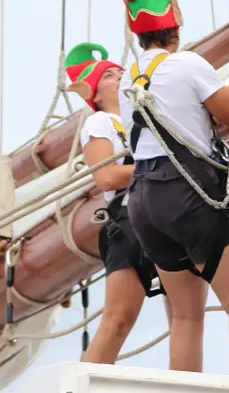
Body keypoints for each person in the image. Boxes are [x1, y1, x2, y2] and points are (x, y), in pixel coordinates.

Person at [117, 0, 229, 371]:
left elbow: (171, 117)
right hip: (187, 195)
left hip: (143, 201)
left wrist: (228, 87)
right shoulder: (188, 64)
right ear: (177, 17)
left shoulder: (128, 76)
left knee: (185, 316)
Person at [65, 42, 170, 365]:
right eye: (110, 75)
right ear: (94, 95)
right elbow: (107, 177)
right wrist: (160, 164)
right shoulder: (101, 124)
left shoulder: (148, 116)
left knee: (183, 314)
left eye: (121, 72)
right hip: (130, 218)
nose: (120, 75)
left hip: (167, 214)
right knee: (118, 319)